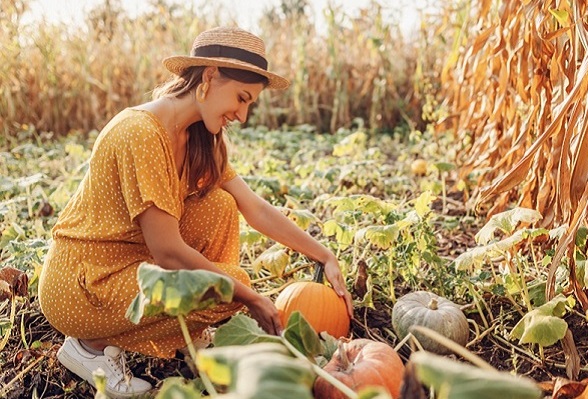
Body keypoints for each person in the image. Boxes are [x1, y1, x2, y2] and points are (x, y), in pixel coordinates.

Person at [38, 26, 353, 398]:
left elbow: (254, 208)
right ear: (209, 76)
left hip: (127, 264)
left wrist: (324, 254)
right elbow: (168, 251)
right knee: (231, 287)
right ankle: (87, 349)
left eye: (250, 103)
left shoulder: (198, 138)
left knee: (220, 205)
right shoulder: (140, 131)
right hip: (82, 285)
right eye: (241, 97)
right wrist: (248, 297)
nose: (243, 114)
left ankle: (190, 335)